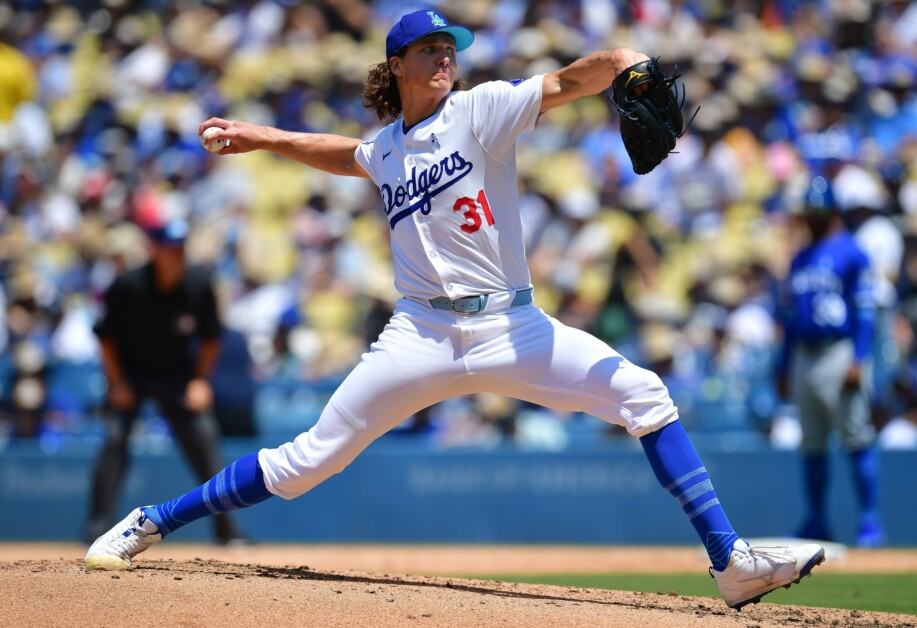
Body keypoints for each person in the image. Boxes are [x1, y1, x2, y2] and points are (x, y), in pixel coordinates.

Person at [85, 10, 824, 610]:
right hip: (421, 331)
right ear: (397, 66)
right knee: (305, 462)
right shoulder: (386, 149)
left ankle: (729, 561)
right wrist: (261, 136)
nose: (445, 57)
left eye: (450, 47)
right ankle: (151, 520)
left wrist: (625, 60)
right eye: (429, 49)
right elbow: (346, 154)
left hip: (512, 325)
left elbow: (572, 79)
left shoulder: (482, 109)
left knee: (644, 394)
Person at [84, 218, 246, 546]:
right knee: (114, 441)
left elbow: (211, 338)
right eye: (169, 249)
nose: (176, 255)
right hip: (131, 375)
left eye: (180, 248)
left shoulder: (199, 284)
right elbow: (106, 338)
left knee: (204, 440)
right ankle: (96, 528)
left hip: (177, 376)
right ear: (154, 250)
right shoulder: (128, 285)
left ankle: (228, 532)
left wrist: (200, 380)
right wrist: (117, 383)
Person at [777, 175, 885, 547]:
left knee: (856, 436)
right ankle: (817, 519)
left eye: (817, 212)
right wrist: (783, 365)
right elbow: (790, 320)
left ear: (831, 212)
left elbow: (866, 310)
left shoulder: (851, 251)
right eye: (808, 212)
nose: (811, 218)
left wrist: (860, 357)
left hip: (839, 350)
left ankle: (869, 520)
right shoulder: (800, 258)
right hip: (804, 355)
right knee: (812, 443)